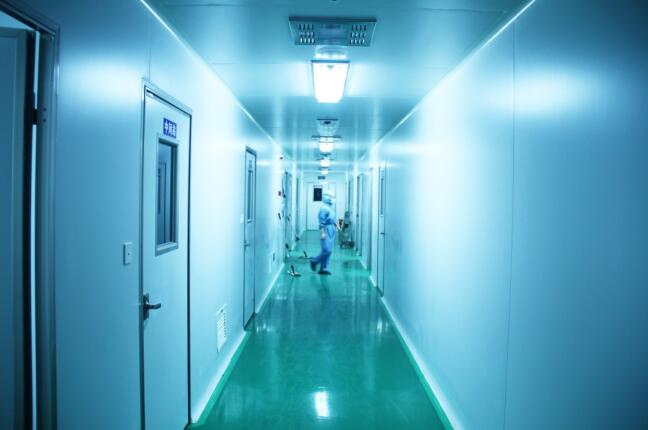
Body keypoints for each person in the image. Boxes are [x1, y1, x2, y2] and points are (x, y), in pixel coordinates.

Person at [310, 193, 337, 275]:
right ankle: (314, 261)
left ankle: (323, 269)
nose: (333, 199)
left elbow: (332, 220)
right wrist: (322, 232)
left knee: (329, 250)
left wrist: (336, 226)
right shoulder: (323, 208)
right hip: (326, 229)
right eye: (332, 197)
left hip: (332, 229)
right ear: (327, 198)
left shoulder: (330, 208)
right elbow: (321, 222)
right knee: (327, 250)